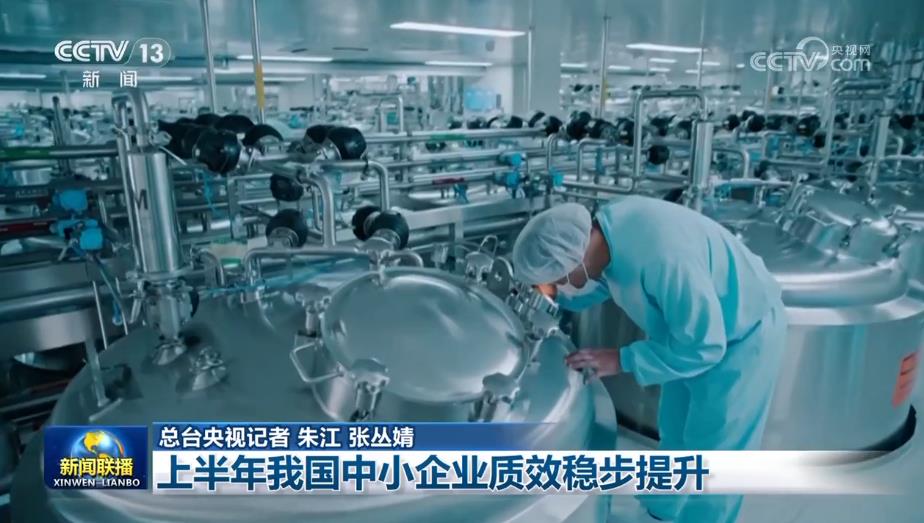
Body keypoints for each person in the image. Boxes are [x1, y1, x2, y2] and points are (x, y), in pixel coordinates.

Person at [511, 198, 787, 523]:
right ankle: (659, 511)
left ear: (572, 259)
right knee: (676, 432)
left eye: (558, 280)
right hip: (684, 336)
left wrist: (621, 359)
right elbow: (609, 281)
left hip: (742, 332)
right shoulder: (607, 235)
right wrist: (552, 300)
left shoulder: (664, 259)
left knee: (718, 454)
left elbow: (705, 347)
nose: (560, 286)